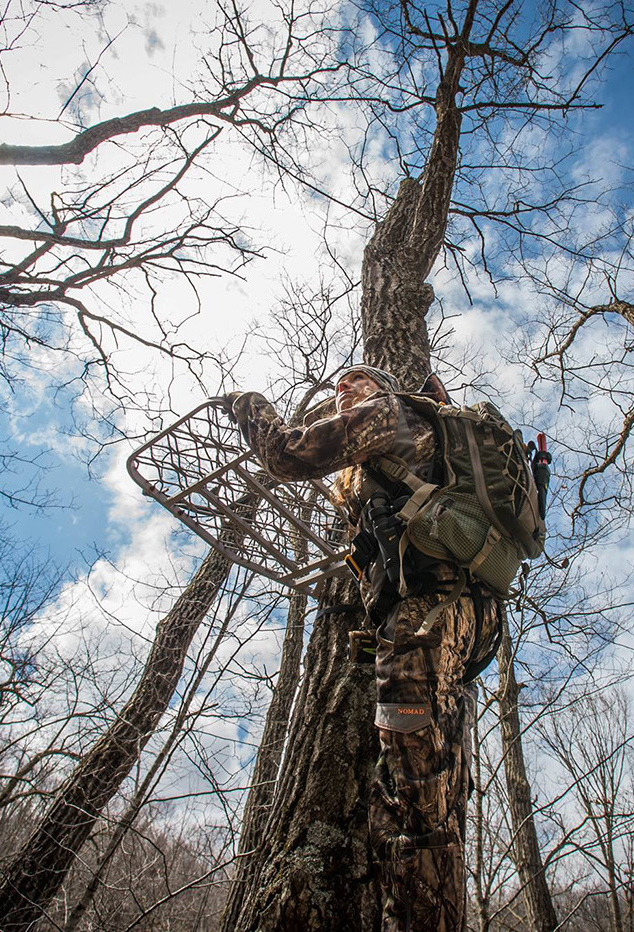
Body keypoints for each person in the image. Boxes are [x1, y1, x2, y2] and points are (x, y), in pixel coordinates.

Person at [222, 366, 493, 932]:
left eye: (357, 382)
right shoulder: (400, 455)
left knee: (418, 799)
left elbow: (286, 455)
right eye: (340, 386)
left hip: (431, 617)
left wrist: (248, 404)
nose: (344, 390)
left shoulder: (389, 415)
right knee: (415, 782)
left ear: (383, 389)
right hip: (462, 618)